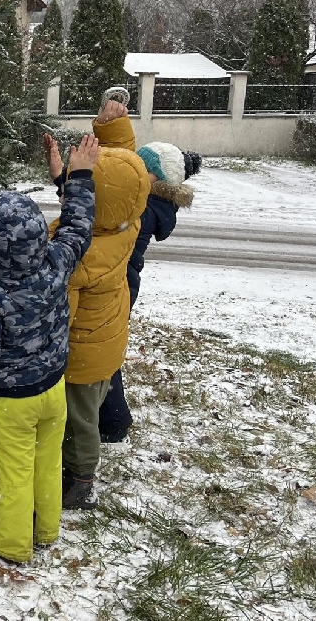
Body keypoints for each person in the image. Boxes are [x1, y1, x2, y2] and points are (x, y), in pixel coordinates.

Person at [0, 135, 99, 563]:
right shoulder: (56, 262)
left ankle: (9, 544)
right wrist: (81, 176)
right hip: (53, 387)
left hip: (11, 400)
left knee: (13, 469)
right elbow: (76, 226)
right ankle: (46, 528)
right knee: (47, 460)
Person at [43, 103, 151, 510]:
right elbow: (126, 173)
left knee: (80, 421)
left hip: (81, 355)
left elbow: (57, 310)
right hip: (106, 342)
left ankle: (81, 478)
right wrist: (113, 127)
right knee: (87, 412)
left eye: (79, 184)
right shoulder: (128, 220)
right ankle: (80, 467)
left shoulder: (82, 257)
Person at [92, 105, 203, 442]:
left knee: (100, 351)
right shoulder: (147, 199)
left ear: (157, 180)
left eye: (142, 168)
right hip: (121, 279)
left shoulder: (142, 209)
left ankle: (112, 422)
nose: (134, 172)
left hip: (118, 282)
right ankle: (110, 419)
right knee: (101, 350)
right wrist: (112, 127)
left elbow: (112, 188)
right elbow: (118, 171)